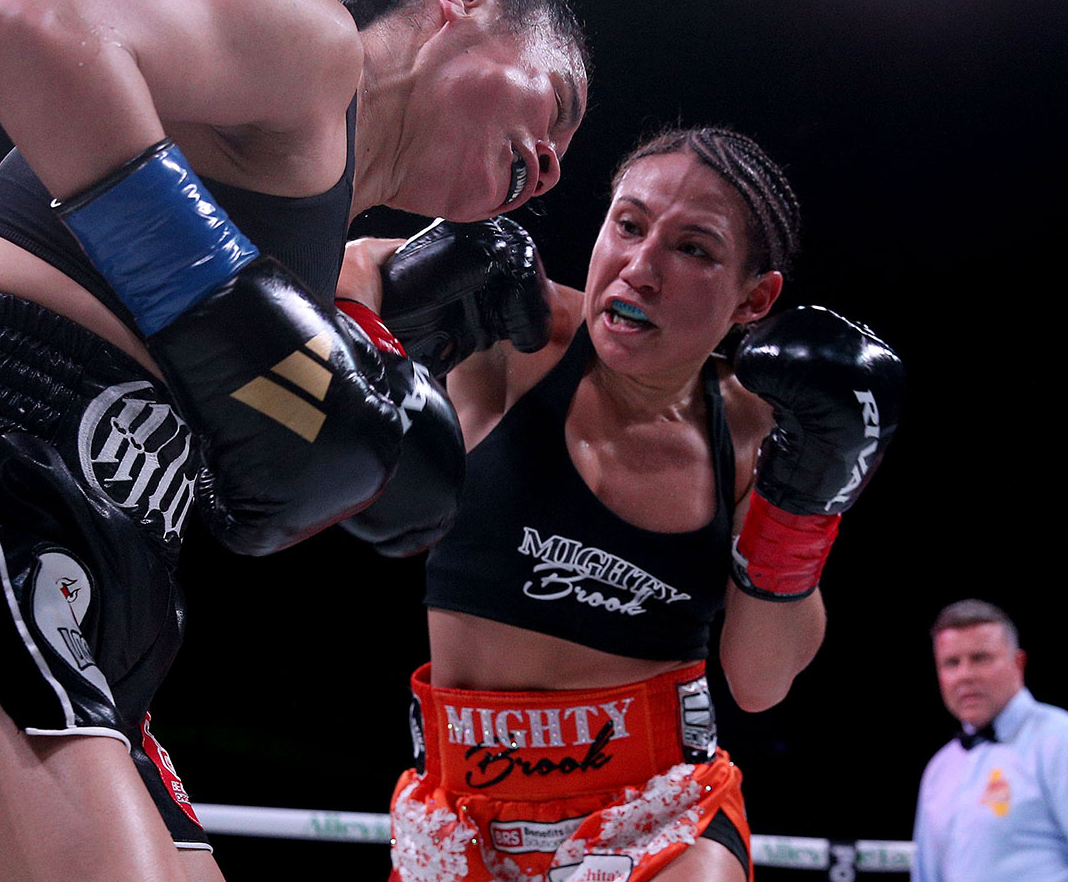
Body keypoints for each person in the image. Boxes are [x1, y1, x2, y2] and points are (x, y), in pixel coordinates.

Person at [0, 0, 589, 882]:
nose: (552, 164)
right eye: (556, 105)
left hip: (104, 567)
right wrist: (209, 297)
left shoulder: (316, 259)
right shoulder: (305, 36)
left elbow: (282, 436)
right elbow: (30, 29)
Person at [337, 125, 905, 881]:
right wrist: (377, 316)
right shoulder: (518, 334)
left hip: (659, 812)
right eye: (630, 226)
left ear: (754, 298)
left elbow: (760, 683)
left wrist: (805, 507)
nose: (640, 269)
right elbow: (345, 265)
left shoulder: (753, 434)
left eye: (693, 248)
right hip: (459, 811)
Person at [911, 599, 1068, 882]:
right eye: (952, 663)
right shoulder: (939, 770)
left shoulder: (1059, 738)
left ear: (1017, 663)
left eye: (980, 658)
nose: (965, 676)